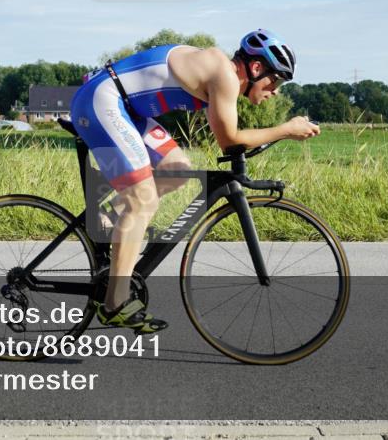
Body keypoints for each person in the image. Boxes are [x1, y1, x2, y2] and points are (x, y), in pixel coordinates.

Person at [69, 29, 321, 333]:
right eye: (276, 80)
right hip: (103, 100)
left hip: (124, 106)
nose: (276, 90)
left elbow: (230, 139)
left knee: (176, 168)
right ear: (256, 68)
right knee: (143, 198)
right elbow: (229, 140)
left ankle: (111, 219)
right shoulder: (224, 75)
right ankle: (114, 304)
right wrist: (286, 129)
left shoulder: (223, 74)